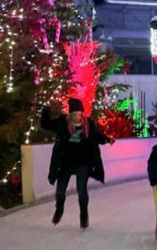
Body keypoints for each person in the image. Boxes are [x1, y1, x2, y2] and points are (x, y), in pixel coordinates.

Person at [41, 97, 114, 229]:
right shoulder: (63, 123)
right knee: (60, 191)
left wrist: (107, 140)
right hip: (65, 163)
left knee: (82, 190)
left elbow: (96, 136)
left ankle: (84, 216)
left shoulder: (88, 124)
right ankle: (59, 210)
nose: (78, 117)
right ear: (70, 114)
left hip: (83, 163)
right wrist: (45, 110)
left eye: (80, 114)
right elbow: (46, 124)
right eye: (75, 114)